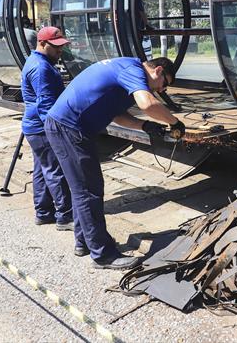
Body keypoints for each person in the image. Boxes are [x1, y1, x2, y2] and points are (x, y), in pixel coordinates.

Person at [44, 57, 185, 270]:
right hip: (69, 128)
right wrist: (175, 122)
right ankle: (103, 255)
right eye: (165, 84)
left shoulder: (125, 70)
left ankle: (84, 242)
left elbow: (117, 115)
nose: (162, 90)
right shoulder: (134, 69)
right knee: (88, 191)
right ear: (157, 70)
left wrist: (145, 126)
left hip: (69, 127)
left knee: (85, 189)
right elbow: (147, 103)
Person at [20, 27, 74, 232]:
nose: (60, 51)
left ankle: (43, 213)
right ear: (42, 44)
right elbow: (46, 106)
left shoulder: (37, 62)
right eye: (56, 47)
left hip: (34, 127)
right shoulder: (41, 68)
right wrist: (57, 131)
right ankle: (65, 216)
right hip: (42, 128)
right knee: (56, 171)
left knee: (42, 170)